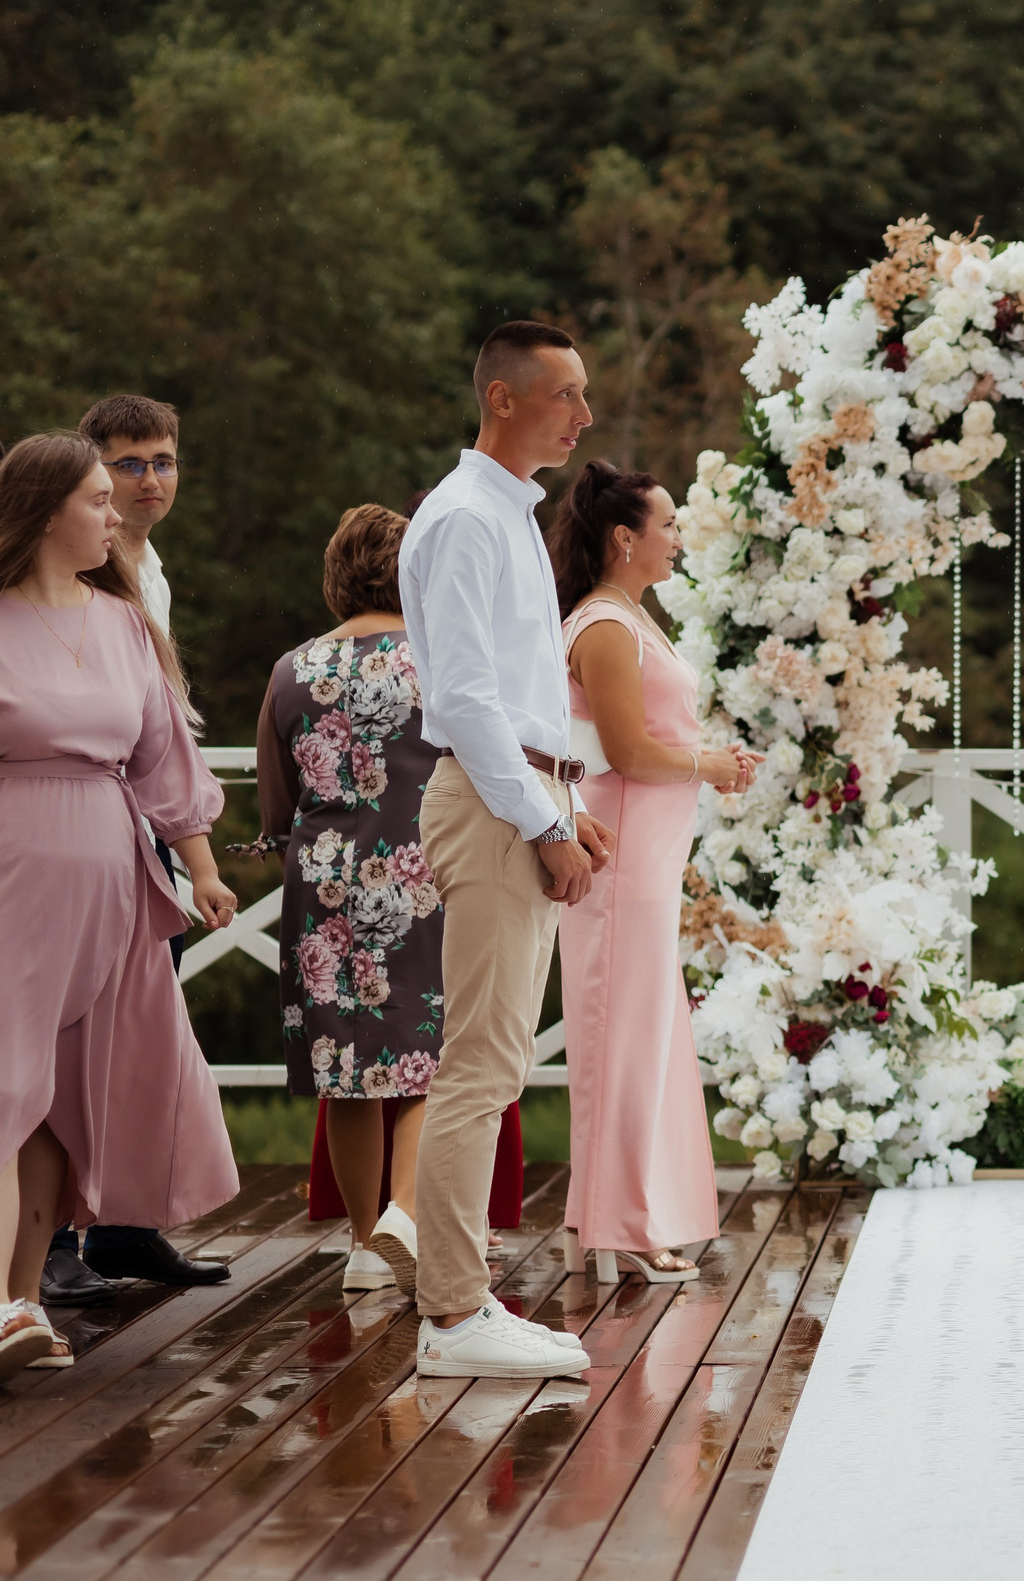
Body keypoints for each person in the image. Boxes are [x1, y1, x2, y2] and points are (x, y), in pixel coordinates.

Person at [399, 321, 616, 1380]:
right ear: (502, 397)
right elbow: (467, 698)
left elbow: (514, 696)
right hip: (492, 803)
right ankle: (451, 1315)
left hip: (520, 792)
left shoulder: (504, 513)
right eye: (567, 394)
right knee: (481, 1064)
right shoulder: (466, 519)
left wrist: (564, 810)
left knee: (498, 1060)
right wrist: (541, 821)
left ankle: (461, 1302)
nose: (584, 414)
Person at [0, 432, 239, 1377]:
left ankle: (21, 1305)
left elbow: (163, 761)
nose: (117, 512)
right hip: (13, 872)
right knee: (5, 1085)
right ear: (45, 509)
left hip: (111, 874)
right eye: (99, 497)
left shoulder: (127, 623)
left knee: (62, 1099)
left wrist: (205, 868)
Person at [250, 505, 523, 1296]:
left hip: (325, 879)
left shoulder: (290, 669)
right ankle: (409, 1212)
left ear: (336, 573)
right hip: (427, 867)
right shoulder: (440, 663)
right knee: (428, 1059)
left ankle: (367, 1242)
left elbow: (276, 805)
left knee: (347, 1068)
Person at [551, 461, 759, 1283]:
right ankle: (624, 1226)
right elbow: (630, 749)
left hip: (649, 857)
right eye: (667, 525)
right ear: (624, 537)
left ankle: (598, 1218)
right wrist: (706, 763)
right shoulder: (605, 625)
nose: (678, 538)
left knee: (637, 1034)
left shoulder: (632, 616)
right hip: (623, 854)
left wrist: (708, 762)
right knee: (620, 1037)